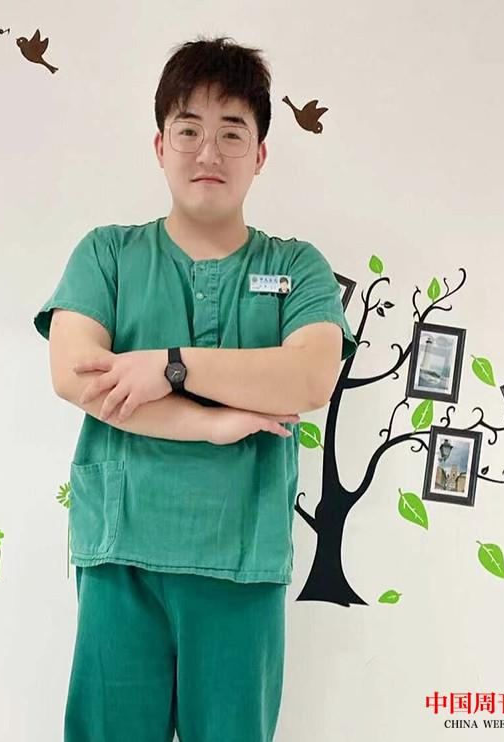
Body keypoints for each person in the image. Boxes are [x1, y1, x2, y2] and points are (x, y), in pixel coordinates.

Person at [33, 34, 357, 742]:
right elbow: (75, 374)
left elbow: (310, 376)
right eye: (189, 130)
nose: (208, 151)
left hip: (242, 562)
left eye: (231, 132)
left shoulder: (297, 268)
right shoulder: (108, 254)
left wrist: (169, 366)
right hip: (121, 554)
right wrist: (210, 422)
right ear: (160, 146)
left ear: (260, 154)